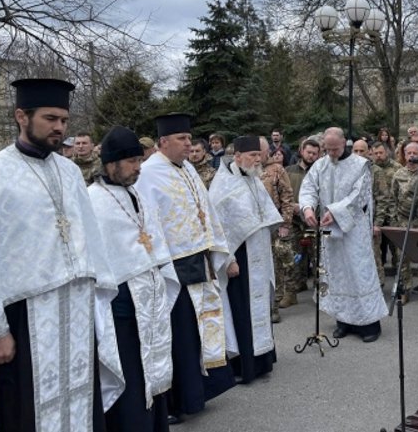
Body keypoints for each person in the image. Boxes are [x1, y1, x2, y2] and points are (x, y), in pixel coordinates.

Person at [0, 78, 124, 432]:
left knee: (80, 401)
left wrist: (97, 304)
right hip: (25, 316)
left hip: (75, 311)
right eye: (51, 119)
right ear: (22, 116)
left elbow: (89, 240)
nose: (60, 128)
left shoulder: (68, 172)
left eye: (64, 120)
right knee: (26, 408)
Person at [135, 113, 237, 425]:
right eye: (181, 139)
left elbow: (206, 210)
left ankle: (201, 391)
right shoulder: (149, 174)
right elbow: (148, 222)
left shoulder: (188, 168)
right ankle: (178, 400)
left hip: (200, 259)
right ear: (163, 142)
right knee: (178, 334)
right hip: (173, 267)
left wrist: (222, 251)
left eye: (189, 139)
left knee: (199, 328)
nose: (188, 144)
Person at [89, 126, 180, 432]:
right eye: (131, 162)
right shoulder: (93, 200)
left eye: (140, 161)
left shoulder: (136, 194)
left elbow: (152, 236)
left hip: (149, 293)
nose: (138, 168)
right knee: (130, 372)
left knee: (151, 368)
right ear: (111, 162)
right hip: (121, 302)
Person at [299, 127, 387, 343]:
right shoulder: (321, 164)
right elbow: (308, 187)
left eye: (335, 149)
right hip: (329, 232)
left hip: (354, 231)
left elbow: (360, 196)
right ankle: (343, 322)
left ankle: (369, 325)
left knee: (358, 274)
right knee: (336, 275)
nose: (331, 154)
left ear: (344, 143)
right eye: (327, 150)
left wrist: (335, 212)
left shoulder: (360, 165)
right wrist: (308, 208)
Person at [209, 135, 280, 384]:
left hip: (259, 253)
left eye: (258, 156)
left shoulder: (253, 178)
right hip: (240, 258)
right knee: (241, 309)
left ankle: (262, 360)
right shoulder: (222, 185)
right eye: (252, 156)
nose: (257, 160)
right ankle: (243, 365)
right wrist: (228, 260)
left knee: (259, 308)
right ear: (237, 157)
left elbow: (265, 214)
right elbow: (219, 228)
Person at [389, 142, 418, 304]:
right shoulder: (398, 175)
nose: (412, 156)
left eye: (415, 152)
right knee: (403, 258)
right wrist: (395, 221)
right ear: (404, 154)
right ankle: (405, 290)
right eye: (409, 153)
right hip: (403, 221)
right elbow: (393, 199)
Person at [258, 137, 295, 321]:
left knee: (276, 265)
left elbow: (287, 197)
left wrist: (286, 224)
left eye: (261, 152)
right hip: (256, 228)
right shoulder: (249, 171)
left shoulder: (277, 170)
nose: (258, 156)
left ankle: (274, 305)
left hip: (275, 226)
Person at [285, 139, 321, 295]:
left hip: (314, 221)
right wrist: (291, 206)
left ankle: (320, 291)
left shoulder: (320, 172)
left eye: (314, 153)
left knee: (317, 258)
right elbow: (283, 193)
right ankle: (293, 290)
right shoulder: (288, 171)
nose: (311, 156)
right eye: (309, 152)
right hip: (294, 221)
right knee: (293, 258)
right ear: (301, 151)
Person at [371, 140, 402, 287]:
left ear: (387, 152)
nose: (378, 156)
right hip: (376, 214)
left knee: (396, 250)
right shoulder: (369, 170)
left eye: (380, 153)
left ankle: (400, 282)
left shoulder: (397, 169)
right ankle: (379, 281)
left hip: (392, 214)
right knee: (377, 251)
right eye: (375, 153)